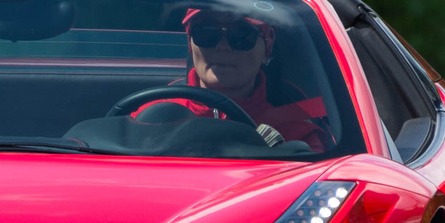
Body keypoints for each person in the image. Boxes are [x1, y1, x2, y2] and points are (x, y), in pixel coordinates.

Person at [133, 8, 333, 152]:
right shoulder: (149, 117)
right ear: (189, 42)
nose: (222, 46)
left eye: (241, 36)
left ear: (267, 47)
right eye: (206, 33)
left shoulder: (300, 139)